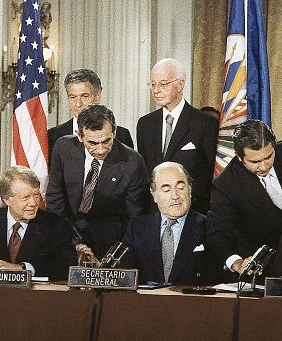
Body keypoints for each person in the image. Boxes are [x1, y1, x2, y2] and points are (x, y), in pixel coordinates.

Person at [46, 104, 150, 259]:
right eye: (93, 143)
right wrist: (72, 242)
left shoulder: (132, 162)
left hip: (110, 242)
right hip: (67, 233)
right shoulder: (63, 148)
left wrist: (112, 257)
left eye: (106, 141)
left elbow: (133, 218)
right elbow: (55, 199)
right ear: (79, 136)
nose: (101, 150)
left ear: (114, 133)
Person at [207, 120, 282, 281]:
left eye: (268, 157)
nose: (264, 166)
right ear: (239, 156)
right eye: (255, 162)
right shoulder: (225, 185)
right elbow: (218, 234)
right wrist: (237, 263)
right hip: (261, 273)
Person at [0, 166, 77, 280]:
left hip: (35, 299)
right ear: (6, 199)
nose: (33, 203)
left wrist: (21, 269)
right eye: (26, 197)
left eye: (36, 195)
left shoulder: (56, 224)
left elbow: (66, 266)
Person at [136, 58, 218, 214]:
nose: (156, 90)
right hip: (155, 215)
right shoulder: (145, 124)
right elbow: (145, 174)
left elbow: (210, 174)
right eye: (153, 84)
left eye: (163, 84)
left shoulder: (205, 123)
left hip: (193, 213)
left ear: (180, 84)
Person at [121, 162, 207, 285]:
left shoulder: (208, 226)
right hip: (147, 302)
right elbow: (123, 272)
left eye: (181, 187)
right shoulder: (137, 227)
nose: (175, 196)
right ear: (154, 194)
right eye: (166, 189)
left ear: (190, 190)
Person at [48, 69, 134, 159]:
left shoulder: (121, 135)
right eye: (73, 97)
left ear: (98, 95)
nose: (78, 104)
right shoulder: (53, 136)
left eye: (85, 96)